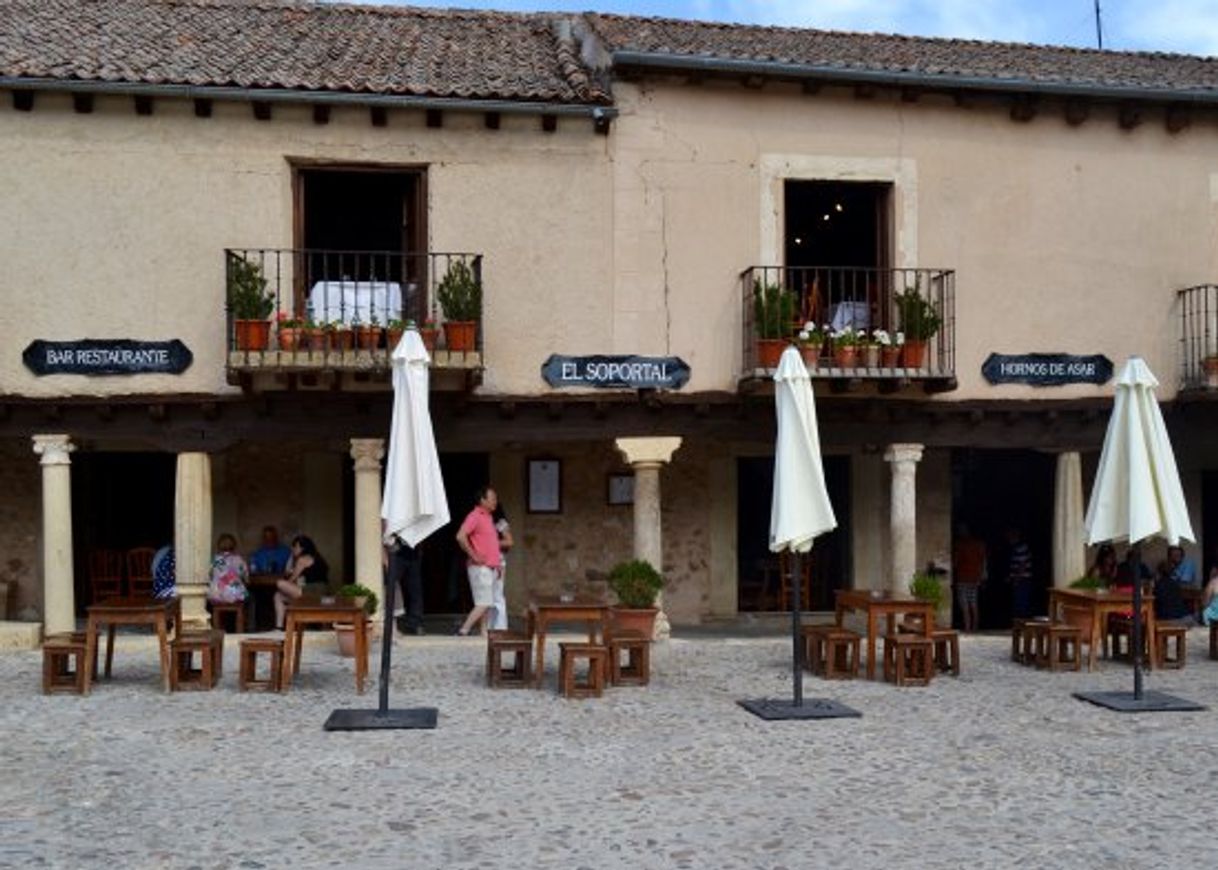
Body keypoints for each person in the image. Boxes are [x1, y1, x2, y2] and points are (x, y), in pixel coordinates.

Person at [454, 485, 502, 637]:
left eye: (495, 498)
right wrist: (473, 555)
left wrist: (498, 565)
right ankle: (464, 629)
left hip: (491, 567)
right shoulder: (475, 515)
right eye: (492, 498)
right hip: (480, 567)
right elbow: (460, 536)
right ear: (482, 500)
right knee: (484, 602)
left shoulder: (488, 517)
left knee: (486, 601)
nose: (495, 501)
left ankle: (483, 631)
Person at [273, 535, 329, 629]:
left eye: (295, 546)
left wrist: (290, 570)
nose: (292, 549)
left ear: (302, 548)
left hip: (313, 592)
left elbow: (292, 579)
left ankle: (281, 626)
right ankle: (279, 627)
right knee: (278, 596)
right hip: (315, 591)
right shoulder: (315, 557)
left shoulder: (303, 559)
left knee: (280, 583)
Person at [385, 529, 425, 636]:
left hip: (413, 556)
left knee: (415, 590)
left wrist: (420, 550)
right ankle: (391, 624)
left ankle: (416, 624)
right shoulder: (395, 518)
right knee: (392, 588)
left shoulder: (415, 519)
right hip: (397, 556)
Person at [951, 525, 986, 632]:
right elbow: (983, 562)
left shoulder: (960, 545)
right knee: (974, 604)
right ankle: (974, 627)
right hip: (975, 579)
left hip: (963, 578)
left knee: (964, 604)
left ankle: (967, 628)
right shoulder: (979, 545)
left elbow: (955, 562)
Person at [489, 506, 515, 631]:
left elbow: (509, 542)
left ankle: (500, 627)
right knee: (486, 597)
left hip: (498, 560)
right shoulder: (482, 520)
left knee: (497, 595)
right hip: (485, 561)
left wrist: (489, 542)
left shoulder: (500, 522)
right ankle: (489, 627)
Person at [207, 533, 249, 604]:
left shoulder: (215, 560)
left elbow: (208, 576)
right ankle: (244, 614)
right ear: (234, 546)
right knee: (251, 599)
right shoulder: (238, 560)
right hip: (235, 595)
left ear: (219, 546)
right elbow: (246, 577)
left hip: (216, 595)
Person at [1006, 527, 1033, 620]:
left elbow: (1022, 565)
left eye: (1009, 536)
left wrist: (1017, 579)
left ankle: (1023, 626)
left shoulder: (1022, 548)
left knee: (1021, 604)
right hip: (1019, 579)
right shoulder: (1016, 548)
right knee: (1018, 603)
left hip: (1022, 580)